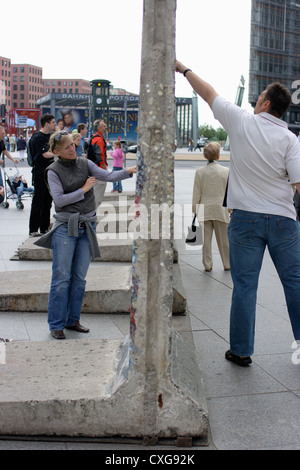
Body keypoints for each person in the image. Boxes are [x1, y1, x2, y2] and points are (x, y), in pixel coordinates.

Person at [176, 60, 300, 367]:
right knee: (295, 283)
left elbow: (208, 94)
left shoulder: (241, 121)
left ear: (266, 103)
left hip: (245, 219)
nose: (256, 101)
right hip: (284, 220)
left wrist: (184, 70)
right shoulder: (290, 139)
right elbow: (298, 184)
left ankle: (242, 351)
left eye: (259, 98)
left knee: (245, 286)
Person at [34, 130, 136, 339]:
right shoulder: (53, 170)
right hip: (65, 227)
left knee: (79, 278)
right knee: (62, 277)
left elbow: (107, 175)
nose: (73, 149)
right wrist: (84, 188)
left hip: (87, 225)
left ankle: (73, 320)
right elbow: (60, 200)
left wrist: (130, 170)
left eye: (73, 145)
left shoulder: (85, 163)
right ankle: (56, 324)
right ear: (56, 152)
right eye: (67, 148)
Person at [192, 142, 230, 272]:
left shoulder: (199, 172)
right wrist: (230, 209)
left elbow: (197, 193)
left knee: (206, 241)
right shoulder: (226, 171)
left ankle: (208, 264)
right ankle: (227, 263)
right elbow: (229, 193)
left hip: (204, 208)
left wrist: (195, 210)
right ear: (218, 156)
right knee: (224, 240)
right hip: (221, 208)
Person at [28, 114, 56, 237]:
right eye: (53, 122)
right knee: (38, 200)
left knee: (47, 201)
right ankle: (33, 229)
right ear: (46, 124)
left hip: (49, 172)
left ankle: (44, 228)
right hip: (40, 172)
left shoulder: (50, 136)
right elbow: (46, 154)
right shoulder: (38, 137)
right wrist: (59, 152)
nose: (55, 124)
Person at [87, 120, 108, 207]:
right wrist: (104, 169)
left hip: (92, 170)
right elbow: (100, 156)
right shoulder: (99, 140)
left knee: (93, 194)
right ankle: (92, 217)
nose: (106, 127)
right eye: (104, 126)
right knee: (97, 197)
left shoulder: (93, 138)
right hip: (99, 170)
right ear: (99, 128)